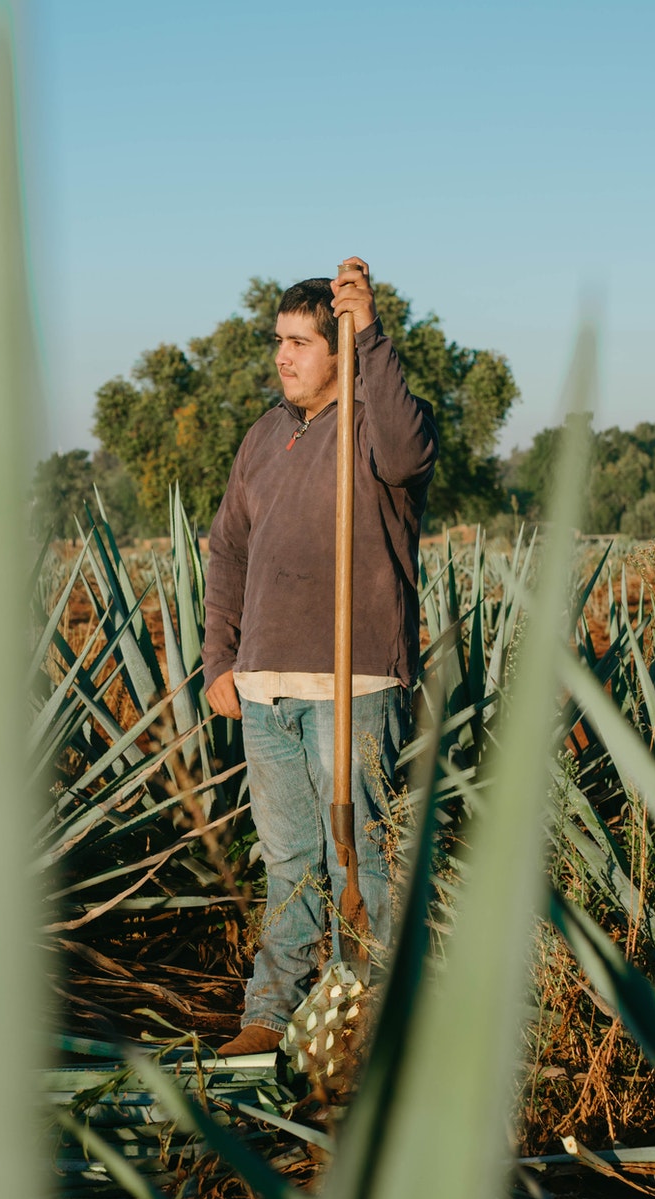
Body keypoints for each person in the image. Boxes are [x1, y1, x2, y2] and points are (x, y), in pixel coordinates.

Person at [204, 257, 438, 1057]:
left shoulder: (377, 426)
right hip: (266, 683)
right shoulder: (266, 435)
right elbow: (227, 551)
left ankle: (369, 1018)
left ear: (339, 350)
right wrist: (220, 661)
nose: (284, 356)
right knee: (290, 860)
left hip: (355, 678)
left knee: (364, 856)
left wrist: (368, 327)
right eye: (280, 341)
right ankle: (270, 1016)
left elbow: (408, 456)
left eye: (303, 342)